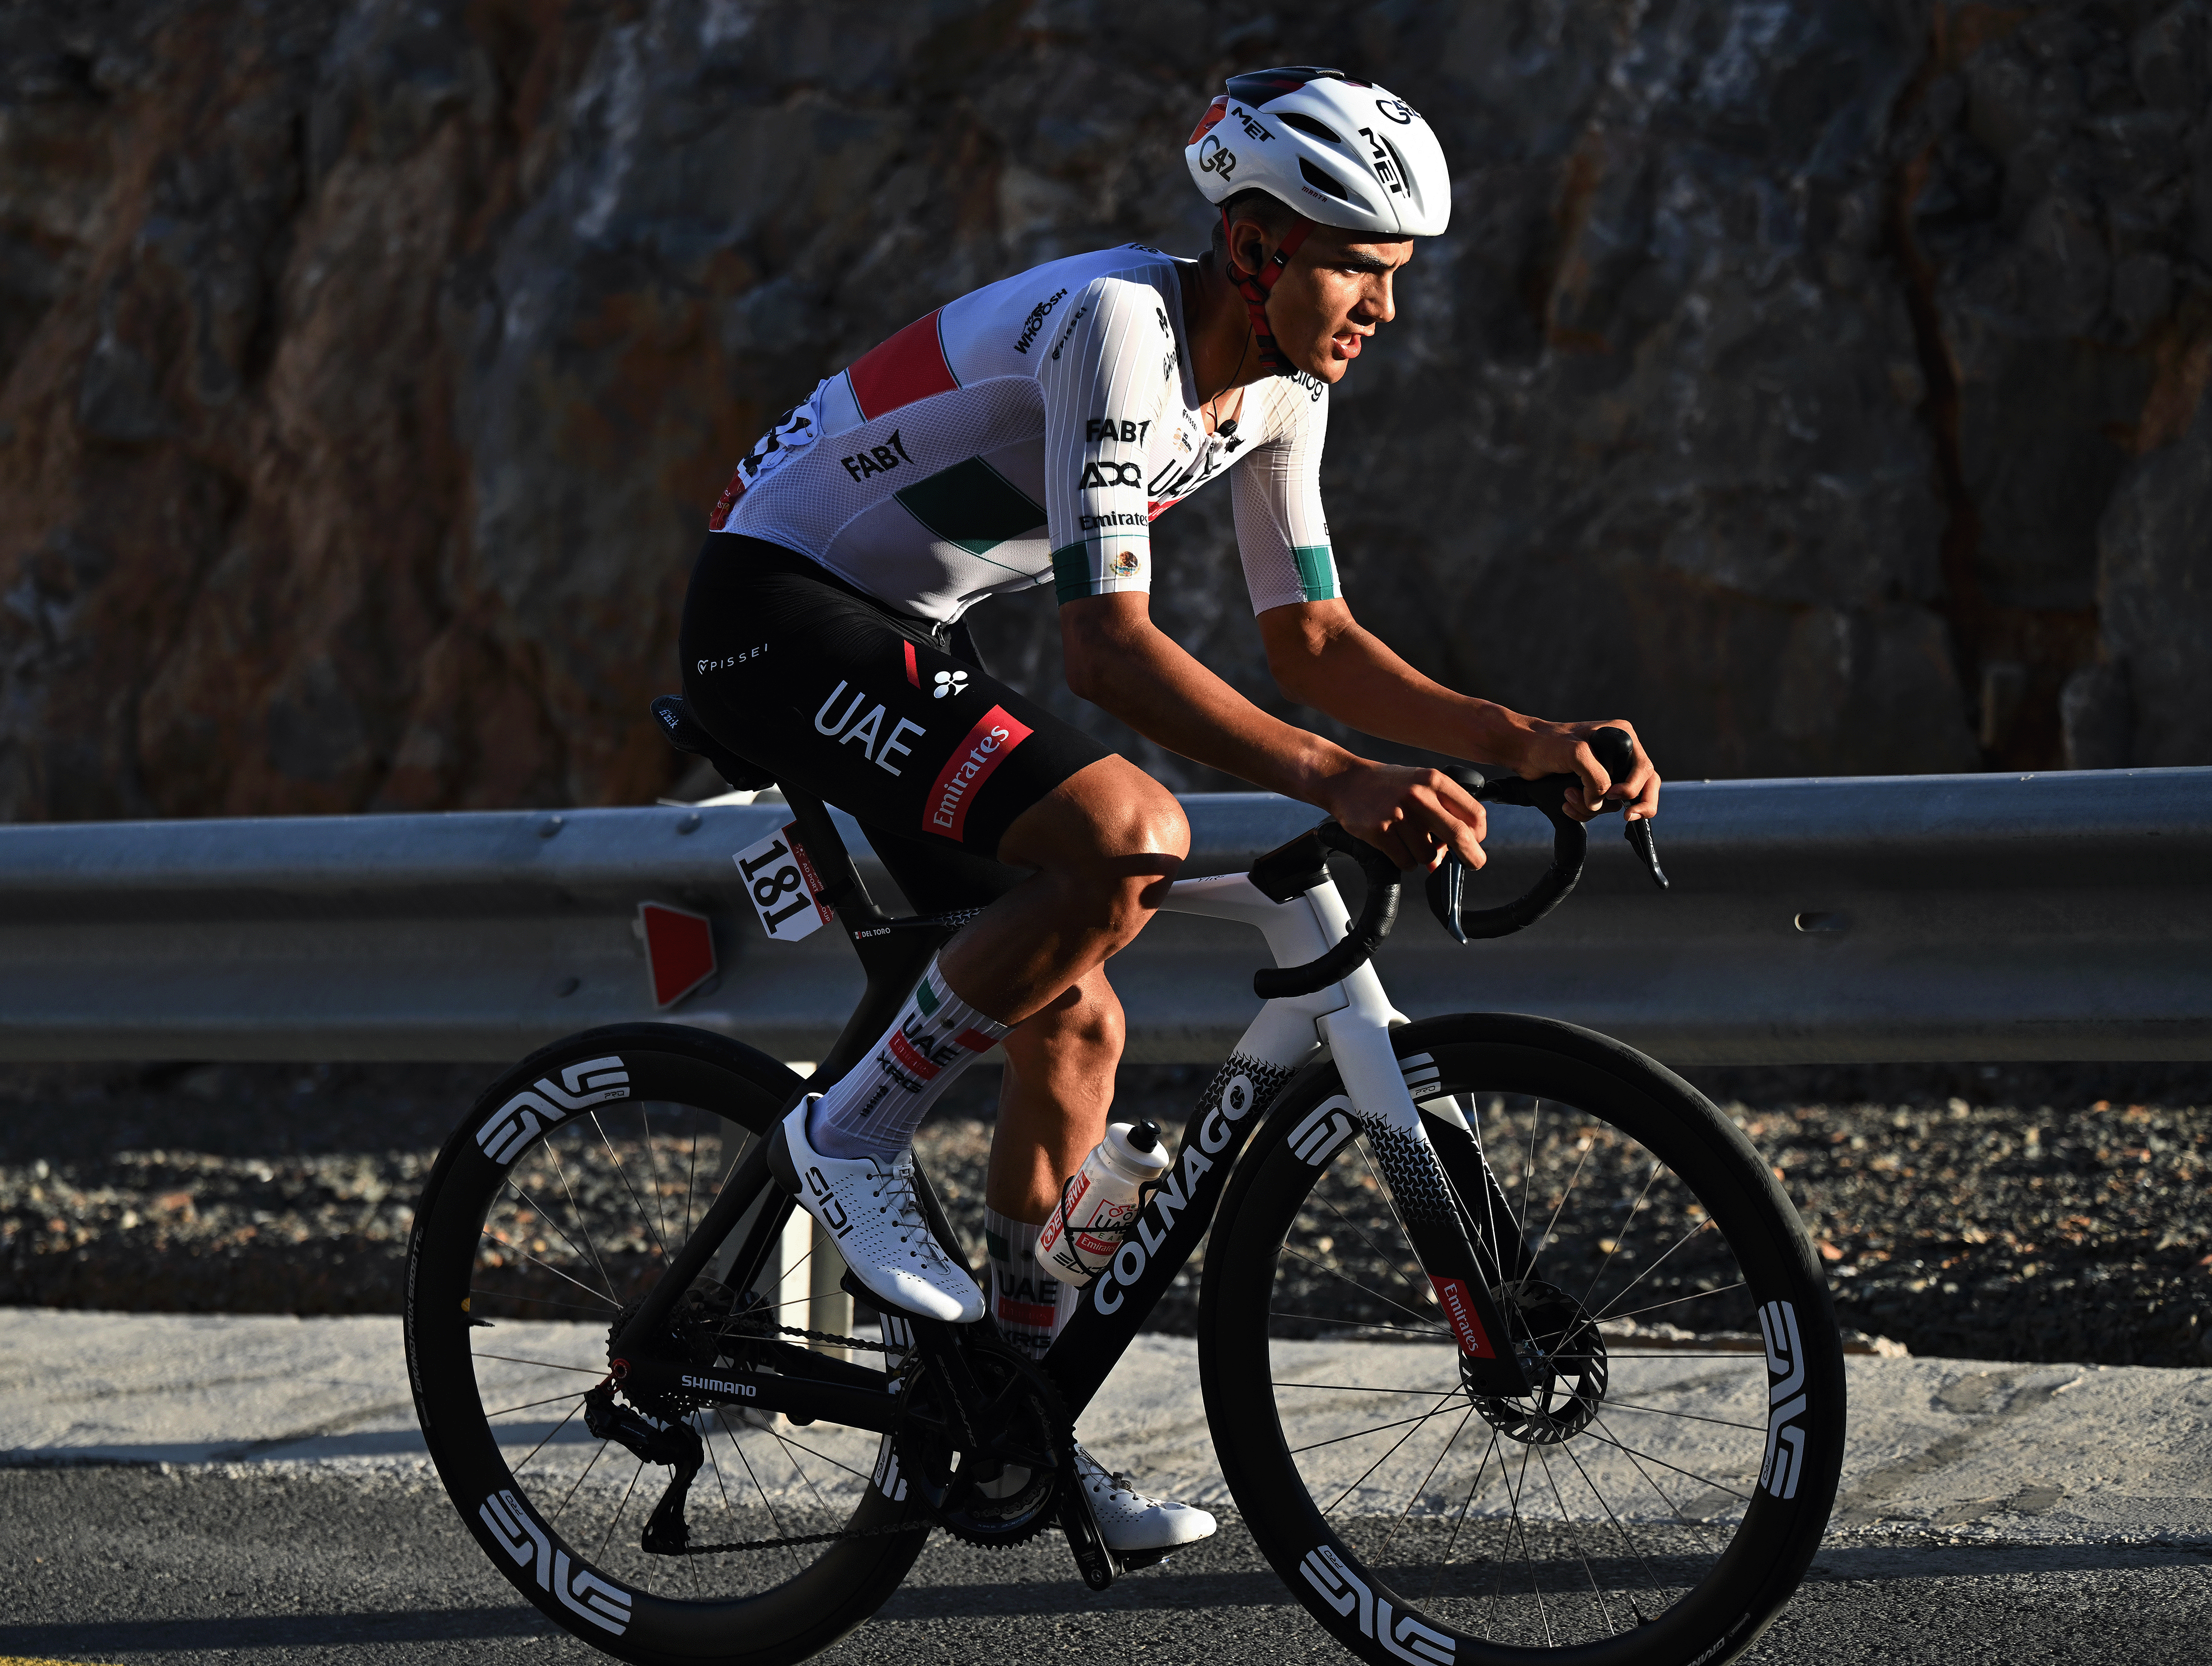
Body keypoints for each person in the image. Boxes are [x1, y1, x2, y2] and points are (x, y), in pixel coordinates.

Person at [679, 67, 1660, 1556]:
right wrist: (1343, 777)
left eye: (1398, 276)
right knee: (1130, 832)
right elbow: (1108, 647)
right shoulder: (1115, 327)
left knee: (1075, 1021)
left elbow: (1312, 646)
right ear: (1260, 248)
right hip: (777, 611)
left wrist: (1520, 739)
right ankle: (852, 1136)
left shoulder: (1281, 390)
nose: (1386, 309)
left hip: (910, 628)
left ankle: (1014, 1432)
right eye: (1362, 268)